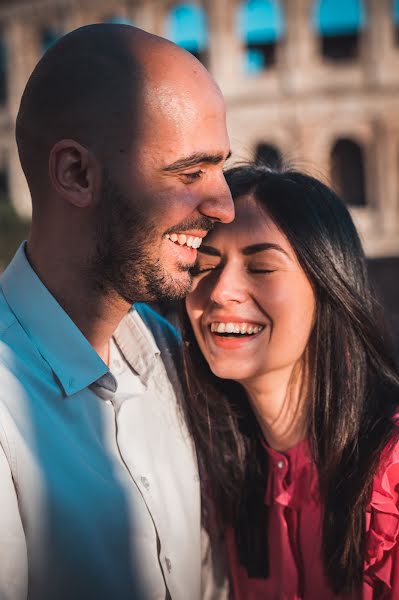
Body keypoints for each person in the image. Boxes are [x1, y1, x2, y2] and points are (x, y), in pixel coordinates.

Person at [0, 24, 234, 600]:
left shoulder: (173, 353)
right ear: (77, 174)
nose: (225, 204)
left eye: (221, 168)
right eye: (189, 173)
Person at [183, 163, 399, 599]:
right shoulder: (220, 477)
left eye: (261, 268)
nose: (221, 291)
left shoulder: (390, 473)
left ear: (330, 286)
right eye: (204, 267)